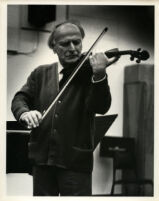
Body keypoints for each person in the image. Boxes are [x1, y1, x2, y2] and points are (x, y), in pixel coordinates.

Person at [11, 20, 118, 196]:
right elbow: (20, 98)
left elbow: (100, 106)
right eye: (65, 43)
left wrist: (100, 75)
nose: (73, 48)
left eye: (77, 42)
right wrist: (25, 112)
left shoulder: (91, 73)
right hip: (42, 161)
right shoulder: (40, 73)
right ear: (54, 47)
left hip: (75, 163)